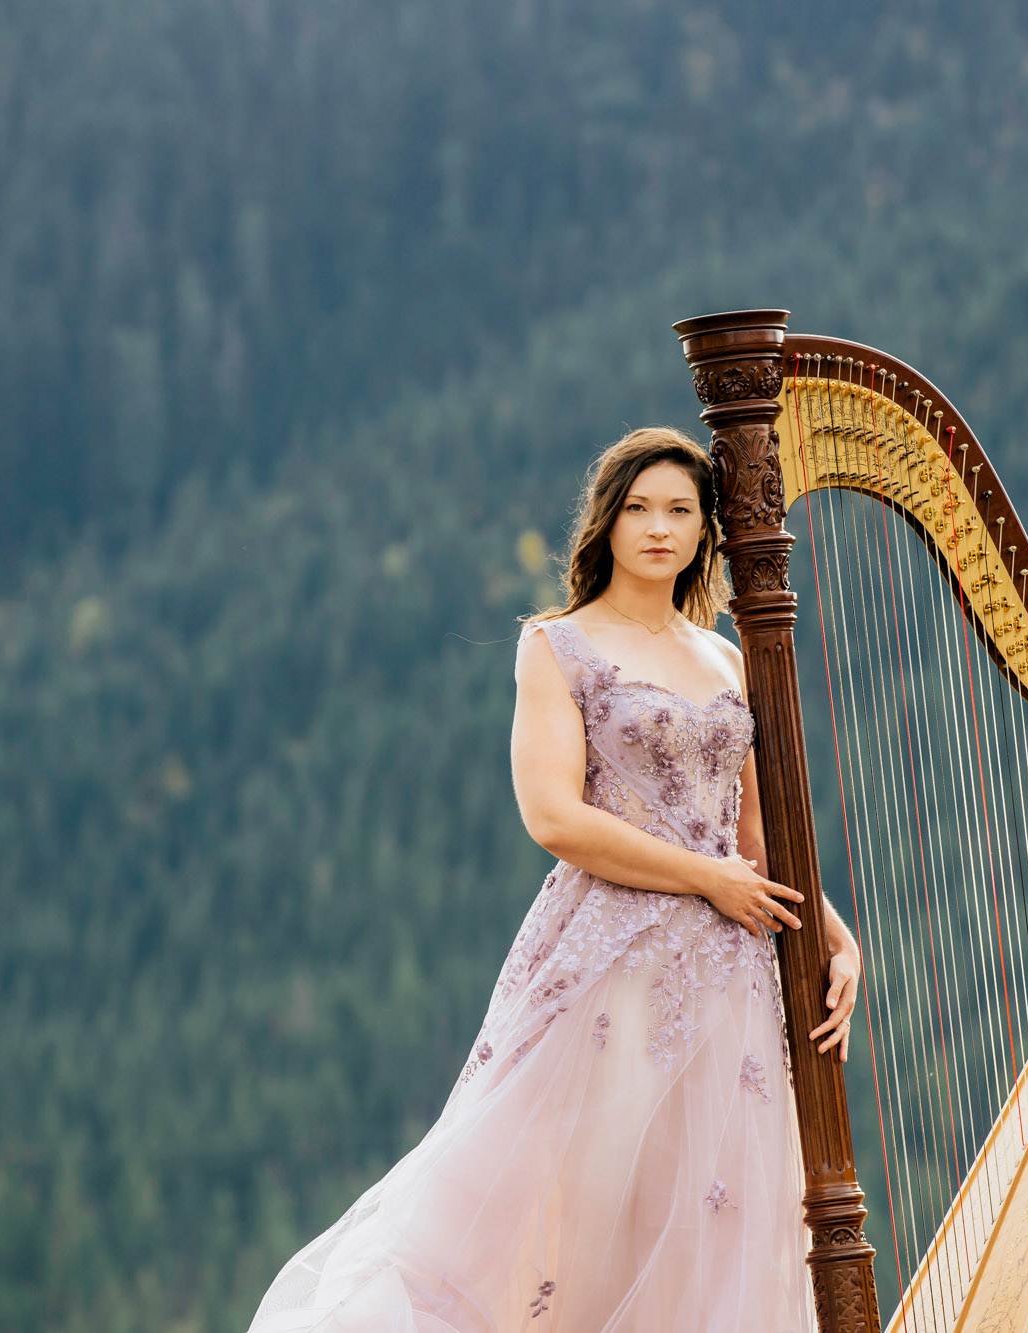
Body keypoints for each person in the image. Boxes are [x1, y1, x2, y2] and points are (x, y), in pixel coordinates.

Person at [247, 426, 864, 1332]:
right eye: (639, 508)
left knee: (709, 1218)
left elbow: (757, 841)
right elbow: (555, 819)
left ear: (706, 532)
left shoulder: (728, 657)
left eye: (681, 511)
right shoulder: (557, 645)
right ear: (607, 523)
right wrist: (706, 879)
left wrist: (839, 940)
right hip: (611, 959)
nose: (659, 527)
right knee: (594, 1209)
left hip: (730, 974)